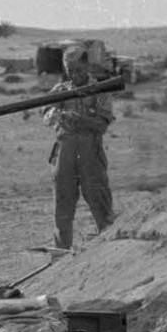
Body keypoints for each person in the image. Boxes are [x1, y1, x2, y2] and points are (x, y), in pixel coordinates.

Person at [43, 46, 116, 250]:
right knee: (62, 206)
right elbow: (46, 114)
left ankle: (111, 251)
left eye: (79, 70)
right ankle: (60, 253)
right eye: (70, 71)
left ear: (87, 66)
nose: (75, 74)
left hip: (90, 152)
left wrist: (80, 120)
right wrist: (53, 115)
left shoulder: (100, 90)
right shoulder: (60, 91)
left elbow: (102, 125)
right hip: (64, 152)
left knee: (100, 202)